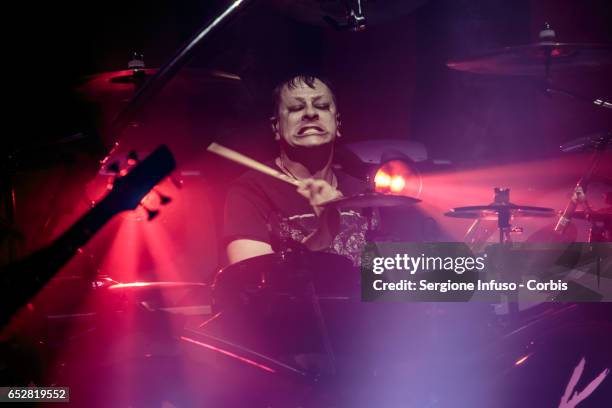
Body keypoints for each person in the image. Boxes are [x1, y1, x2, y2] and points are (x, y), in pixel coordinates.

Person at [223, 74, 370, 265]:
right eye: (295, 108)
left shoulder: (363, 193)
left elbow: (394, 281)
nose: (310, 113)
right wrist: (322, 236)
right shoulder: (250, 191)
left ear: (338, 123)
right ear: (276, 127)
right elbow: (255, 284)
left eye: (322, 106)